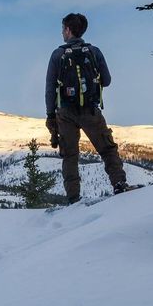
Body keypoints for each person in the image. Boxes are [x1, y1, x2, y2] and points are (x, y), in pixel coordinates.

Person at [45, 13, 131, 204]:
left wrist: (51, 116)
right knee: (107, 149)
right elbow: (107, 81)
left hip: (65, 112)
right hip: (90, 110)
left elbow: (50, 88)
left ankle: (74, 198)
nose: (62, 33)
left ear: (68, 30)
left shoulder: (57, 54)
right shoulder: (94, 52)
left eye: (62, 29)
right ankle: (119, 184)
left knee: (70, 155)